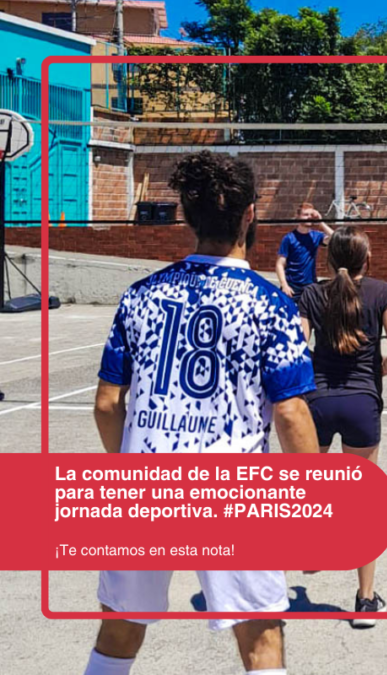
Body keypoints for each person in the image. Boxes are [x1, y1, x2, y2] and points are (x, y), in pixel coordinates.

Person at [88, 151, 320, 675]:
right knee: (261, 640)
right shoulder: (271, 306)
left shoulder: (139, 297)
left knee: (119, 629)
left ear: (189, 219)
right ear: (250, 215)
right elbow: (291, 413)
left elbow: (107, 404)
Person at [295, 225, 387, 628]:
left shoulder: (311, 293)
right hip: (362, 402)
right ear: (366, 260)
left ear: (328, 261)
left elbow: (296, 347)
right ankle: (364, 600)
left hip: (318, 402)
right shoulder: (381, 292)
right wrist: (385, 367)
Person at [275, 202, 334, 301]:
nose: (309, 217)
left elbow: (335, 237)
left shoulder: (316, 236)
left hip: (310, 286)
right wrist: (284, 285)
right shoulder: (289, 238)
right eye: (305, 215)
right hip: (292, 287)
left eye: (311, 215)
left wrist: (320, 221)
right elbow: (280, 264)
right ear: (298, 216)